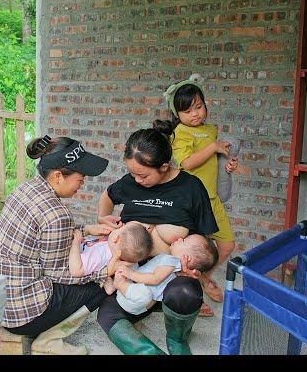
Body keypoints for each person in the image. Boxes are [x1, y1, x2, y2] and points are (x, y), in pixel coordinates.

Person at [0, 135, 113, 355]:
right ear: (58, 175)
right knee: (103, 284)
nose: (83, 183)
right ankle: (49, 341)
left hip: (0, 304)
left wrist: (86, 229)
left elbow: (42, 230)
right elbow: (61, 274)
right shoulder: (58, 215)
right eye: (80, 178)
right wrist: (104, 272)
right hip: (22, 315)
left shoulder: (25, 189)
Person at [96, 127, 219, 355]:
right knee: (107, 315)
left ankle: (177, 340)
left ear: (164, 167)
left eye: (143, 175)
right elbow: (107, 196)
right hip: (131, 275)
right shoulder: (131, 183)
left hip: (171, 279)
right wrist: (104, 218)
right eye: (133, 174)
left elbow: (204, 242)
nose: (137, 180)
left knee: (186, 294)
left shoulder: (191, 188)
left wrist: (199, 274)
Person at [158, 76, 239, 312]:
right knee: (194, 254)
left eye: (199, 107)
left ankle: (204, 279)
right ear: (177, 114)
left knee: (227, 244)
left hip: (212, 198)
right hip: (193, 201)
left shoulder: (210, 130)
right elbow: (189, 163)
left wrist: (227, 166)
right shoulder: (180, 133)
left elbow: (212, 162)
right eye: (187, 111)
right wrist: (213, 147)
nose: (195, 114)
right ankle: (192, 298)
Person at [113, 234, 218, 316]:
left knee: (143, 291)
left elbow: (154, 279)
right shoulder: (176, 269)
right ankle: (114, 285)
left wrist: (131, 274)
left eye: (184, 241)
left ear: (188, 258)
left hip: (132, 298)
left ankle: (119, 284)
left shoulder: (171, 262)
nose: (180, 239)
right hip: (133, 296)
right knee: (133, 260)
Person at [69, 221, 153, 295]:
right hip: (102, 263)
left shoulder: (99, 255)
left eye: (119, 229)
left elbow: (76, 271)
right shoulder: (114, 246)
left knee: (103, 272)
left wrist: (76, 242)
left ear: (116, 238)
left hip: (77, 260)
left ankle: (109, 283)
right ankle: (109, 284)